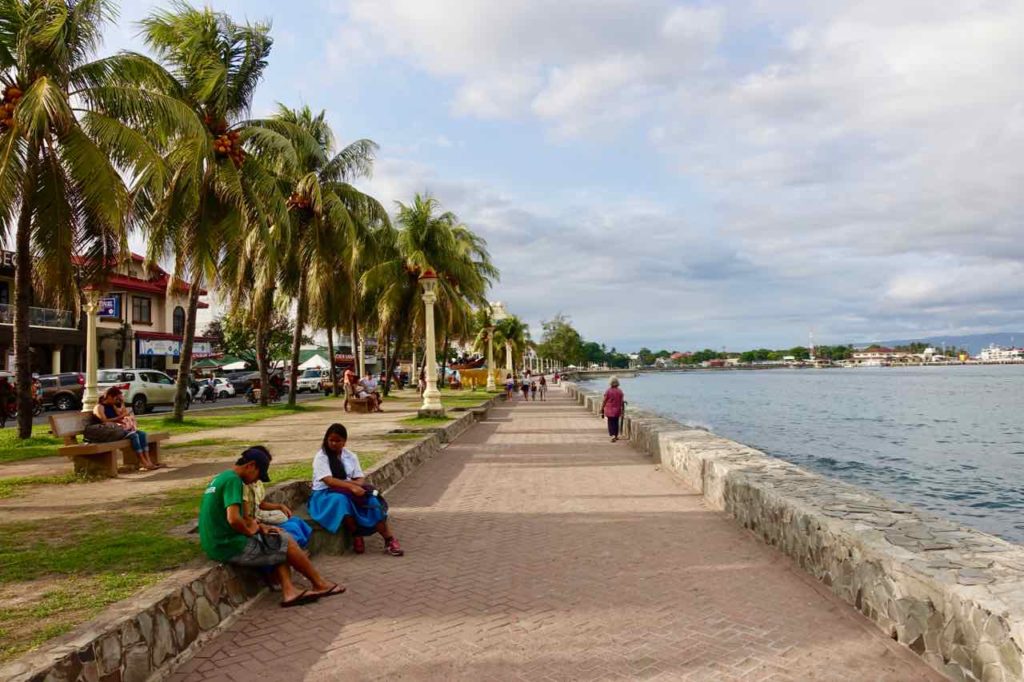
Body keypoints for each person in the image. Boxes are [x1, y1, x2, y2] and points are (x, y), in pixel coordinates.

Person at [198, 448, 344, 607]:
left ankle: (290, 592)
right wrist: (250, 531)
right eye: (258, 476)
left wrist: (260, 527)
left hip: (216, 542)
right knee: (286, 542)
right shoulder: (234, 481)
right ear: (251, 465)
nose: (255, 481)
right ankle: (319, 583)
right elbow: (233, 519)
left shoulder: (222, 477)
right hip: (228, 545)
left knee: (277, 539)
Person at [308, 423, 404, 556]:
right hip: (325, 494)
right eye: (331, 440)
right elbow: (329, 481)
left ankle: (389, 539)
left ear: (344, 442)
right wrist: (351, 486)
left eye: (338, 441)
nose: (334, 443)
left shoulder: (350, 456)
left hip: (349, 489)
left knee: (372, 501)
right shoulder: (321, 457)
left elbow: (359, 478)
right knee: (342, 501)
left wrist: (356, 487)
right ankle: (356, 535)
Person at [242, 446, 312, 549]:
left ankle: (300, 550)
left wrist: (279, 506)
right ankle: (295, 553)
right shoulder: (243, 485)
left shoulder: (258, 482)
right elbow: (245, 517)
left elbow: (260, 503)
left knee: (296, 521)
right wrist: (261, 525)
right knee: (291, 528)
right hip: (256, 522)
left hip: (259, 516)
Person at [92, 387, 159, 470]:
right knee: (134, 435)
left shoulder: (112, 405)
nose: (117, 401)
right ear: (109, 396)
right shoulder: (99, 407)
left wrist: (122, 402)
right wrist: (120, 417)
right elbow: (104, 421)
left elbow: (123, 413)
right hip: (109, 432)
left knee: (142, 434)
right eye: (116, 398)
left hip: (118, 429)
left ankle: (148, 461)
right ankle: (143, 461)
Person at [600, 376, 626, 443]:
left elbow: (604, 400)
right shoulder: (620, 391)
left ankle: (612, 435)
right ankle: (616, 435)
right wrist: (622, 410)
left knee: (610, 422)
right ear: (617, 383)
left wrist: (602, 408)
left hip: (609, 409)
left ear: (610, 383)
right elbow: (622, 401)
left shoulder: (608, 391)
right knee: (616, 422)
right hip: (617, 410)